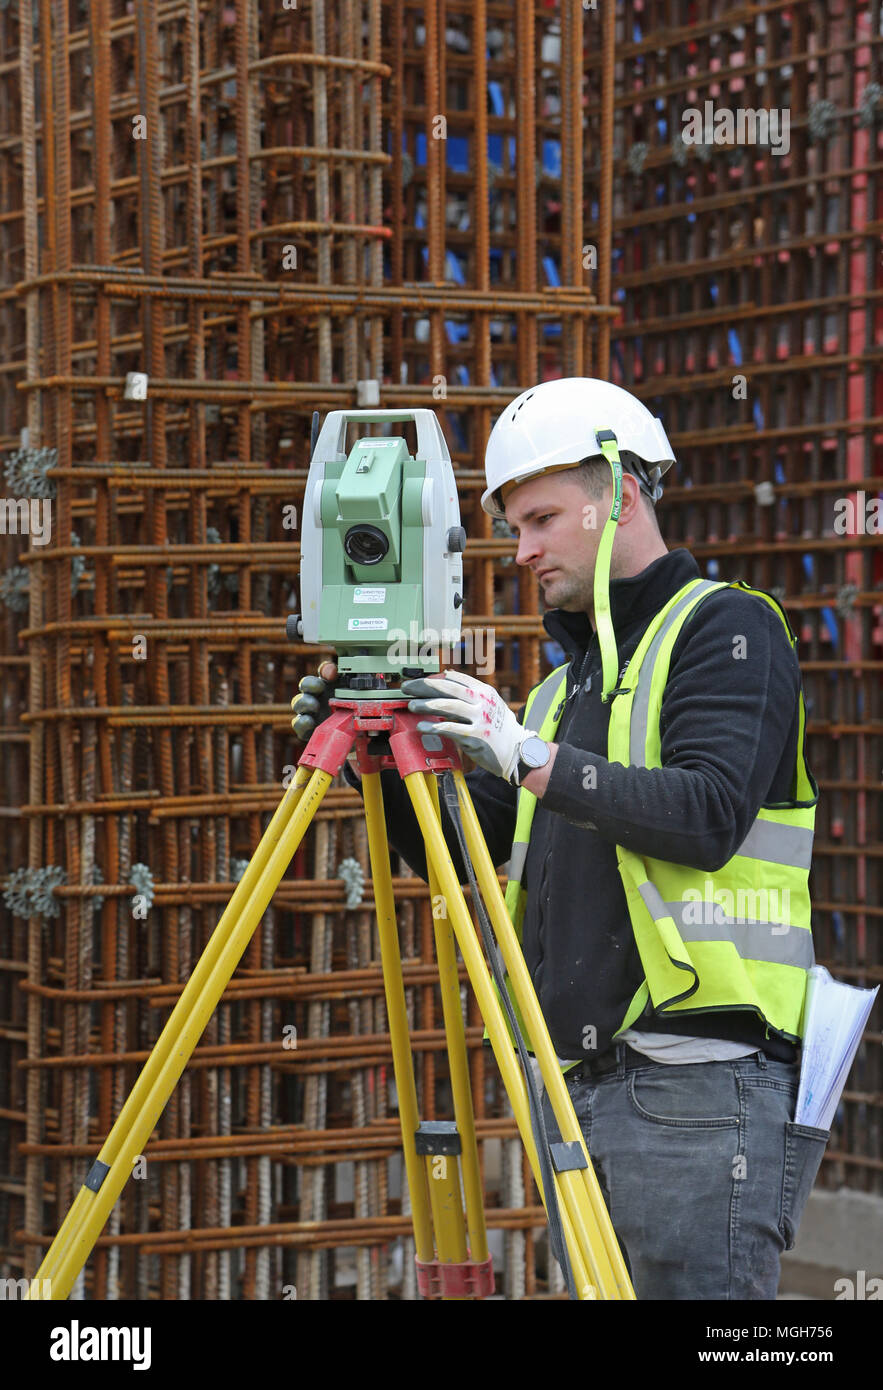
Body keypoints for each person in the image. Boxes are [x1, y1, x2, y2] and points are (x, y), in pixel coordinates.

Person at [292, 377, 827, 1300]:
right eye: (511, 527)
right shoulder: (555, 693)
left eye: (540, 518)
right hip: (579, 1090)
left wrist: (526, 755)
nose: (522, 549)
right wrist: (372, 764)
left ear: (618, 494)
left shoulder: (725, 629)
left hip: (696, 1088)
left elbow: (704, 815)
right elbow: (463, 853)